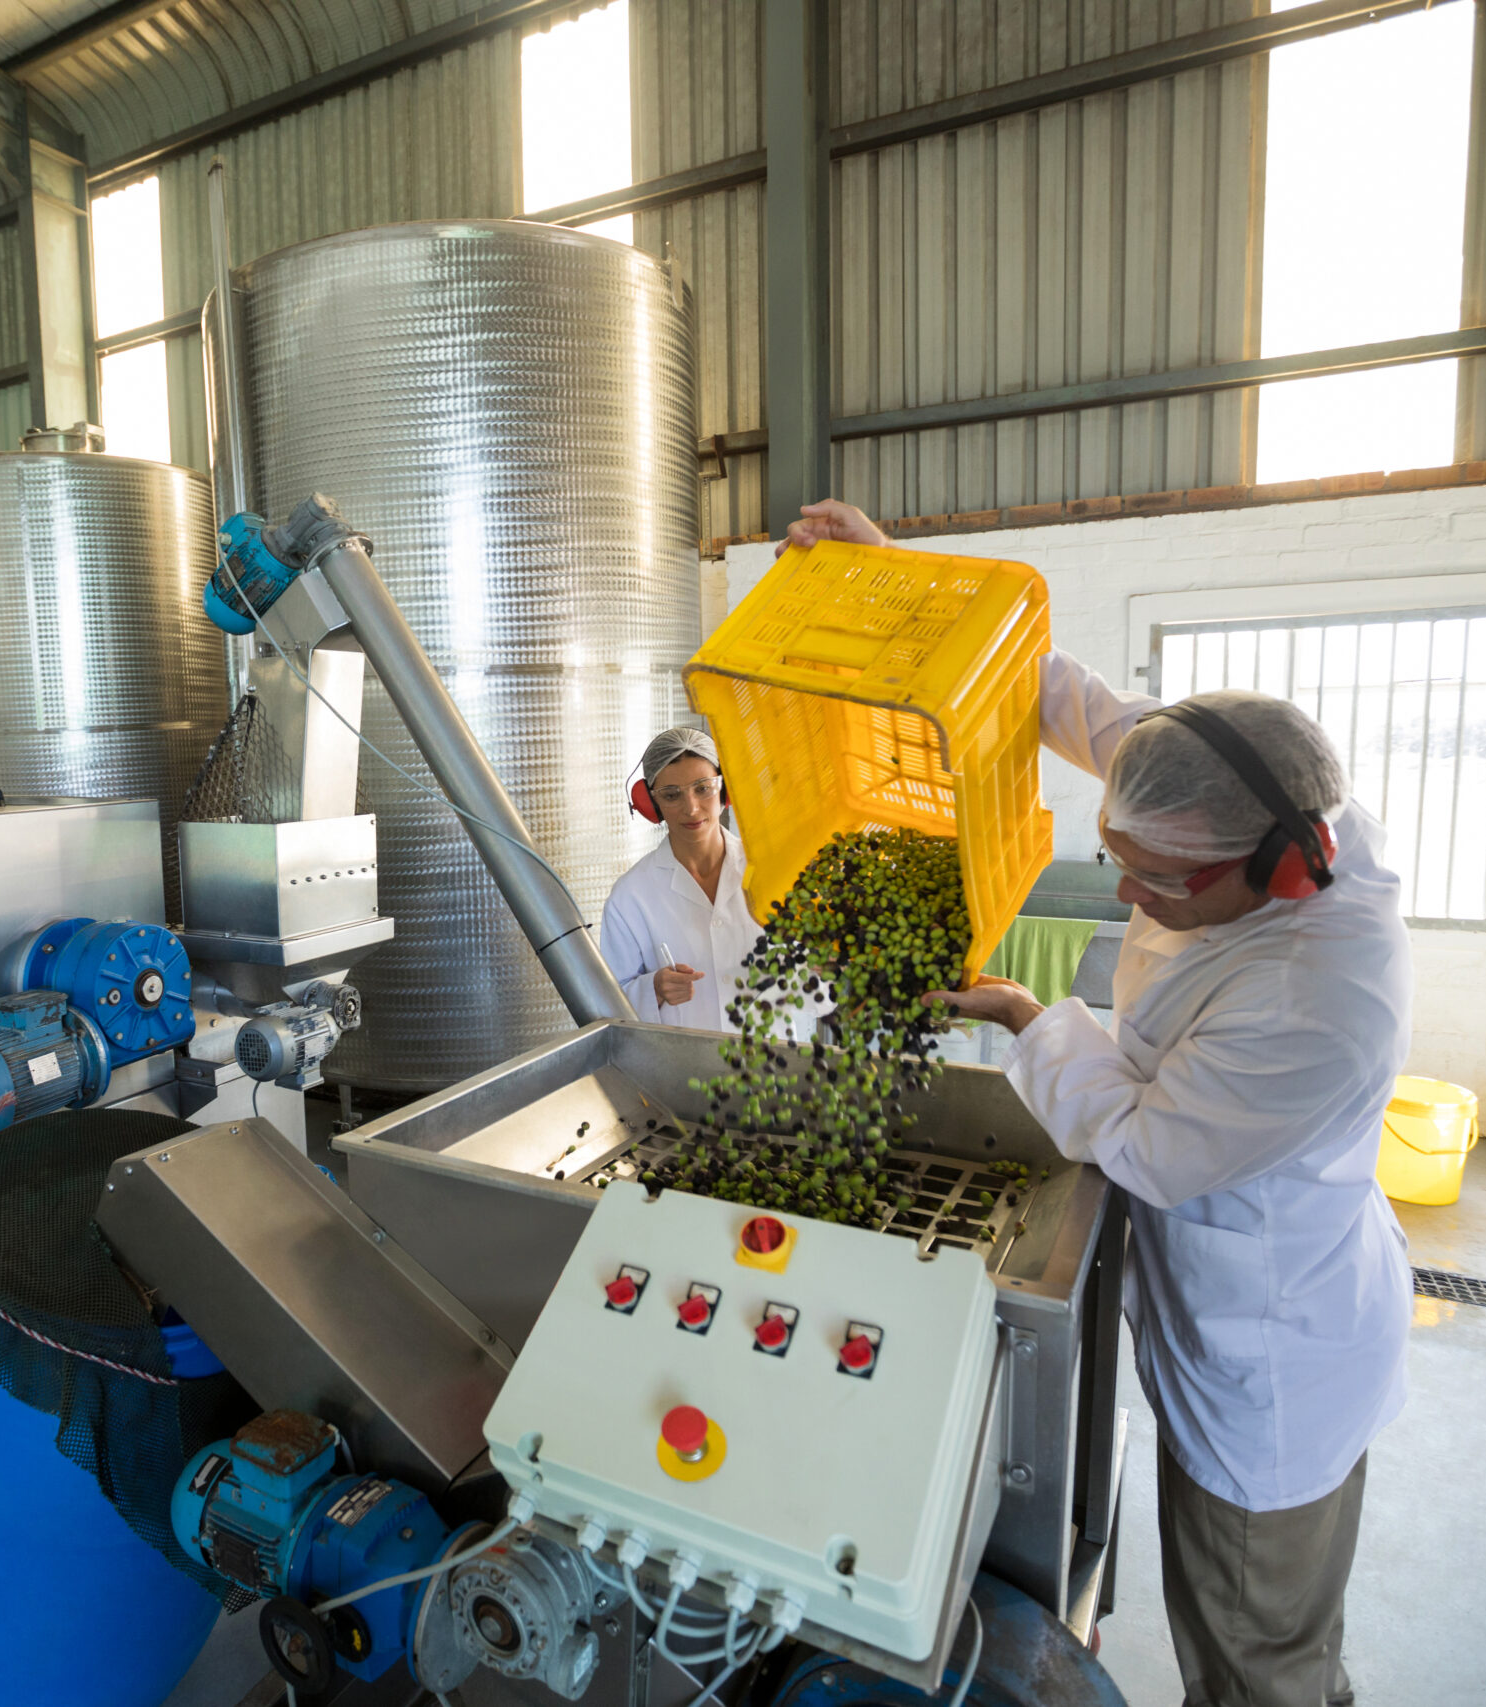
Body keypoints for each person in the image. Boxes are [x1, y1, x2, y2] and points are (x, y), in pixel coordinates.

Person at [791, 499, 1414, 1707]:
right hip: (1239, 1275)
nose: (1123, 894)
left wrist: (1023, 1015)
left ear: (1279, 871)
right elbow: (1058, 695)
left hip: (1272, 1350)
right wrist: (894, 587)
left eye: (1152, 880)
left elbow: (1146, 1146)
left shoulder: (1314, 1003)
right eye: (1116, 857)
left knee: (1255, 1651)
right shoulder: (1233, 793)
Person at [598, 727, 765, 1032]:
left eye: (703, 788)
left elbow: (819, 992)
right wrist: (653, 990)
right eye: (672, 795)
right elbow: (608, 1010)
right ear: (651, 805)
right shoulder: (630, 897)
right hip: (683, 1060)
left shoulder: (769, 871)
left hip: (772, 1056)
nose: (691, 808)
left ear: (725, 789)